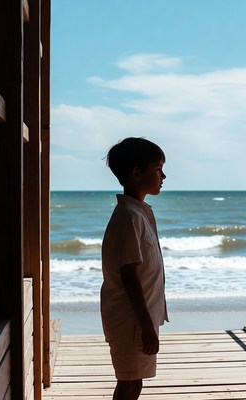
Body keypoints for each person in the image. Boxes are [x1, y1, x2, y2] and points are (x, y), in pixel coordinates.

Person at [100, 137, 169, 400]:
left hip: (139, 320)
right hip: (132, 321)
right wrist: (146, 326)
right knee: (129, 383)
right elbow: (128, 276)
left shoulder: (138, 212)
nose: (163, 175)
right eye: (158, 169)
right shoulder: (129, 217)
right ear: (137, 173)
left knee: (134, 382)